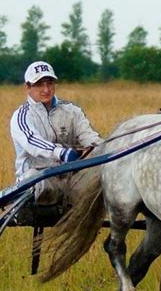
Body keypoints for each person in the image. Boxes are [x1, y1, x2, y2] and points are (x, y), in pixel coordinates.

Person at [10, 60, 101, 208]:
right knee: (36, 180)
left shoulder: (72, 111)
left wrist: (104, 149)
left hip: (71, 177)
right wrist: (61, 153)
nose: (46, 89)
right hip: (37, 177)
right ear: (27, 87)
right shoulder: (21, 116)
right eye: (39, 84)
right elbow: (32, 142)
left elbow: (89, 137)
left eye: (50, 83)